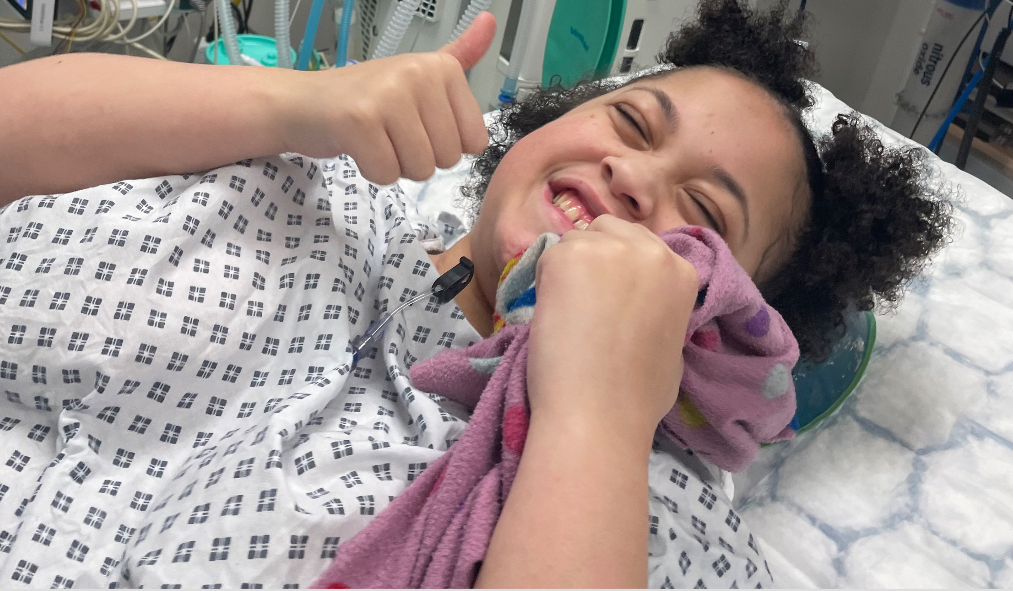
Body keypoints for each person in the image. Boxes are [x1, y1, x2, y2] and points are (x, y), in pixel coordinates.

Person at [0, 0, 951, 588]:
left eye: (701, 212)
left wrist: (593, 414)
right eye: (629, 122)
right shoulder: (309, 184)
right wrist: (291, 101)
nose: (631, 175)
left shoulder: (654, 515)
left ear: (722, 321)